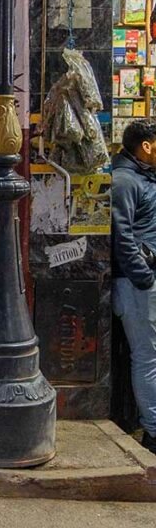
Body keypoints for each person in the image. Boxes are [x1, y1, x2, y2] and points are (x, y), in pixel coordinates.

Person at [112, 119, 156, 454]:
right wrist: (144, 277)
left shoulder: (142, 176)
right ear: (146, 146)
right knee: (148, 356)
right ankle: (153, 430)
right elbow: (121, 237)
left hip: (143, 282)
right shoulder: (126, 180)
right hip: (137, 285)